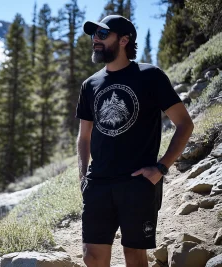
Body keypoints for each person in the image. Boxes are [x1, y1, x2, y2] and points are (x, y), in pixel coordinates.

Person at [75, 15, 194, 267]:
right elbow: (84, 136)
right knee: (91, 257)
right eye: (94, 34)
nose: (95, 39)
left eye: (102, 34)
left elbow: (184, 123)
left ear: (124, 40)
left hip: (138, 183)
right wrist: (83, 176)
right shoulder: (90, 85)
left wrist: (161, 168)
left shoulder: (150, 76)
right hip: (98, 184)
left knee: (134, 255)